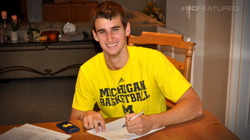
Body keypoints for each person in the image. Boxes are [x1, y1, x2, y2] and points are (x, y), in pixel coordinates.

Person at [69, 1, 203, 135]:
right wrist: (85, 115)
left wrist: (152, 122)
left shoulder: (153, 60)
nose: (110, 39)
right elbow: (73, 121)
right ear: (95, 35)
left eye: (115, 29)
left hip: (154, 133)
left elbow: (195, 105)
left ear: (127, 29)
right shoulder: (88, 70)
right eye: (102, 31)